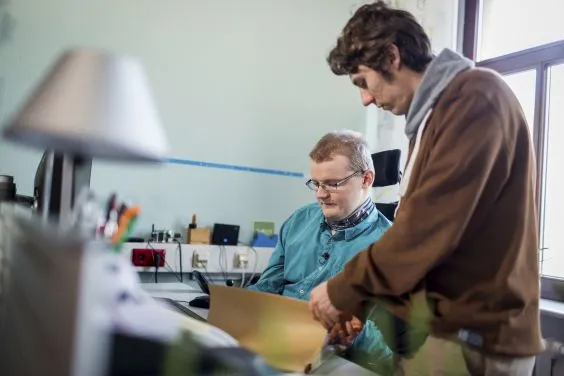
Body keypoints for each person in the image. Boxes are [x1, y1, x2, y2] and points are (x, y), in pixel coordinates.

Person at [308, 1, 544, 375]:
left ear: (392, 55)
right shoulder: (434, 118)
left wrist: (344, 290)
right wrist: (365, 301)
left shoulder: (474, 98)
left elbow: (425, 231)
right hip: (442, 334)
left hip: (471, 341)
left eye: (363, 82)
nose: (366, 99)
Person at [248, 130, 394, 373]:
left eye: (332, 184)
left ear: (366, 179)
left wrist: (356, 334)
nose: (320, 195)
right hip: (275, 345)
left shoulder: (389, 247)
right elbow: (266, 288)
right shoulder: (298, 221)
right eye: (316, 183)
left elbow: (393, 348)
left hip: (337, 360)